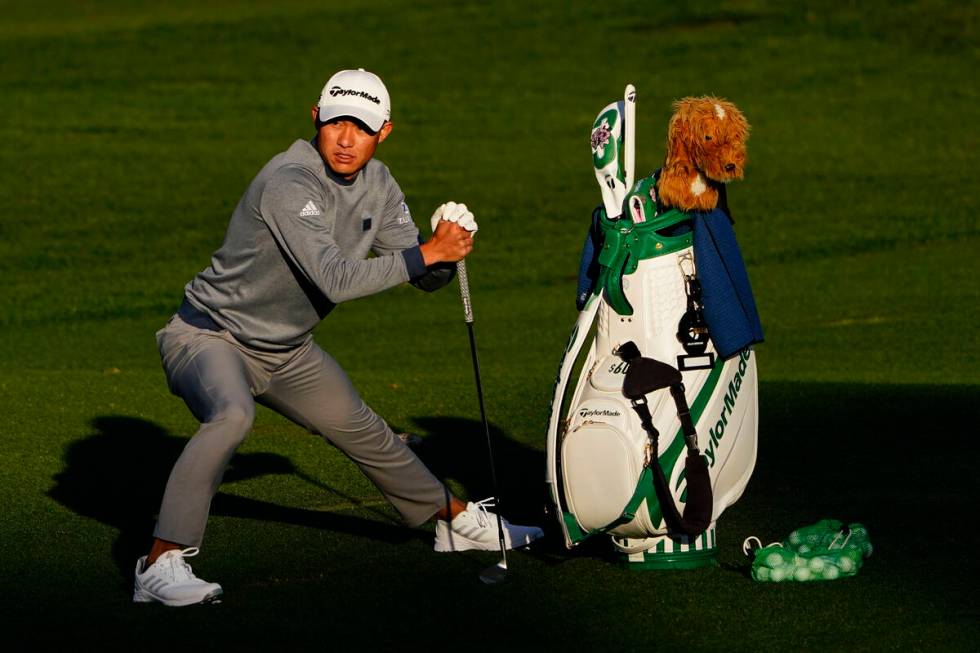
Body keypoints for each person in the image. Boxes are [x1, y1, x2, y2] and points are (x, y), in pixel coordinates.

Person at [133, 69, 543, 607]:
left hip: (285, 349)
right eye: (336, 123)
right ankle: (159, 563)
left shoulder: (380, 184)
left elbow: (422, 273)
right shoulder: (289, 181)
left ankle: (454, 522)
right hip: (208, 336)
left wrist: (448, 245)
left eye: (362, 128)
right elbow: (337, 279)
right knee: (232, 416)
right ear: (316, 119)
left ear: (385, 133)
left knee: (364, 429)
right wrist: (429, 253)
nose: (347, 139)